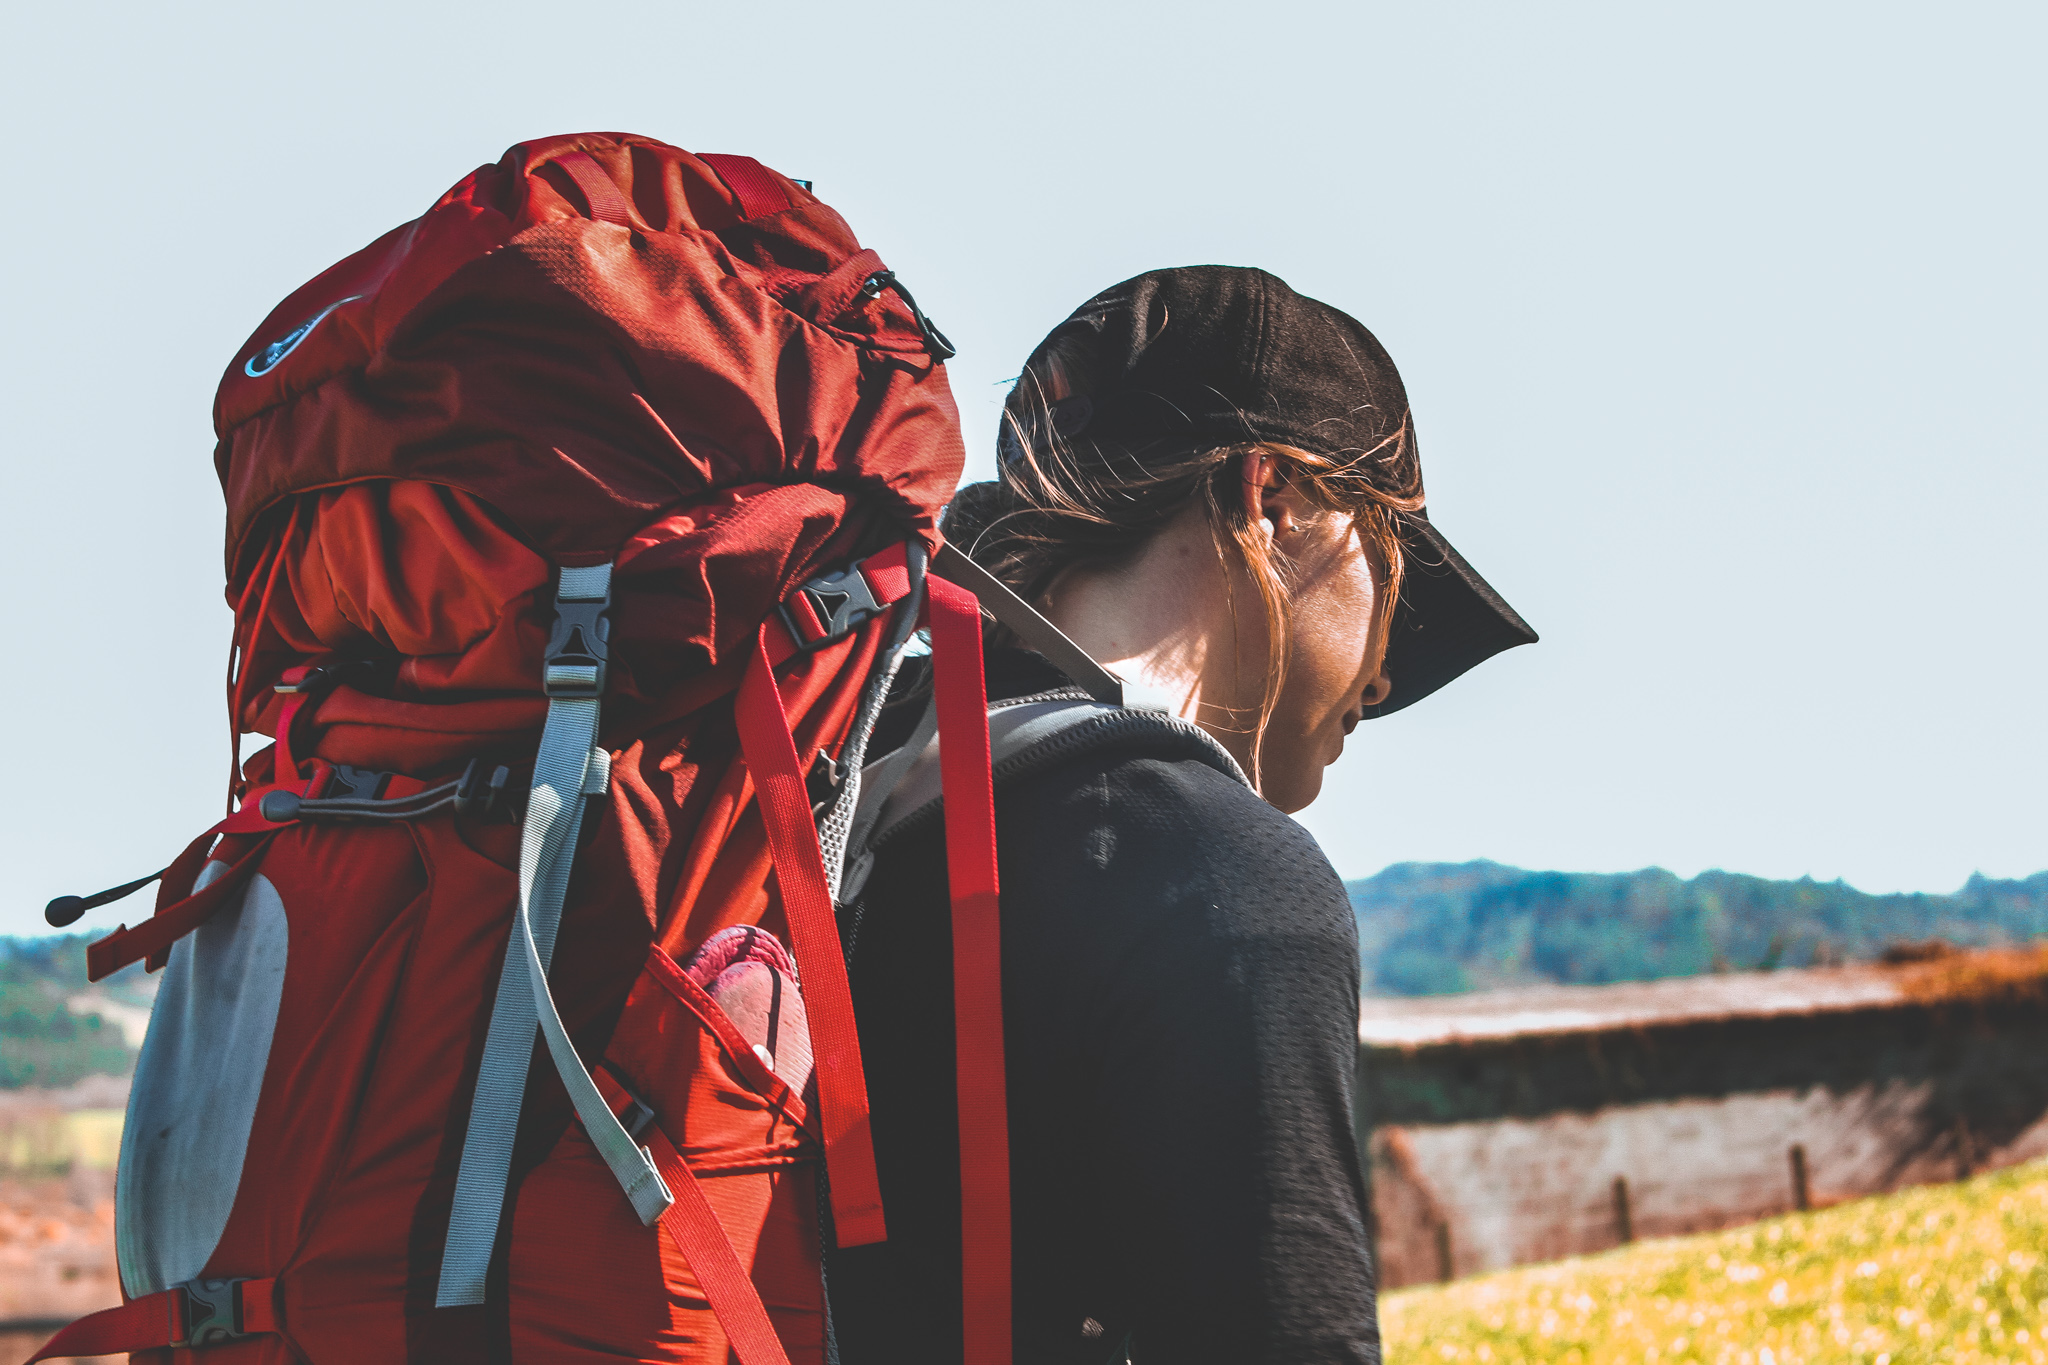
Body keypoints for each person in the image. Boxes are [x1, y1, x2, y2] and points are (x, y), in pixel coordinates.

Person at [825, 266, 1537, 1363]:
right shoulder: (1218, 881)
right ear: (1272, 501)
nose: (1384, 675)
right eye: (1386, 567)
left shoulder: (841, 782)